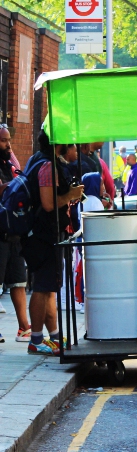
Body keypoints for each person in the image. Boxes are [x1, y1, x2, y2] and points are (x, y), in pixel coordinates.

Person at [20, 133, 84, 354]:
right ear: (59, 142)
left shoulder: (38, 159)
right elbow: (48, 204)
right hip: (44, 235)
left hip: (42, 234)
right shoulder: (48, 166)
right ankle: (36, 341)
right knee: (42, 288)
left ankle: (53, 336)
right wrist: (70, 195)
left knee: (48, 288)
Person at [0, 125, 29, 342]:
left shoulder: (9, 162)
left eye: (9, 140)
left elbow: (19, 177)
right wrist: (15, 185)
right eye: (4, 141)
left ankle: (24, 327)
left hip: (13, 232)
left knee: (18, 281)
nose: (8, 145)